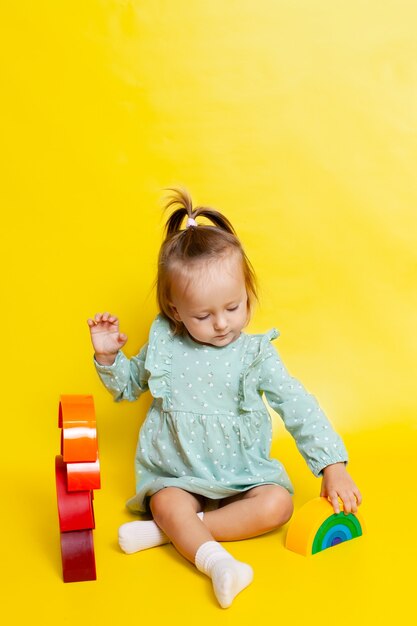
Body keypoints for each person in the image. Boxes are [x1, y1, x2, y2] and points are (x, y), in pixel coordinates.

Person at [87, 188, 362, 609]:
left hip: (243, 474)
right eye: (203, 315)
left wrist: (333, 466)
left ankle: (171, 532)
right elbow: (127, 388)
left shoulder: (256, 354)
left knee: (278, 504)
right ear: (175, 311)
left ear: (247, 290)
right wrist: (108, 355)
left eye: (234, 307)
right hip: (177, 471)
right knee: (165, 500)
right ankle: (218, 564)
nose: (221, 324)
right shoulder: (165, 342)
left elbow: (298, 407)